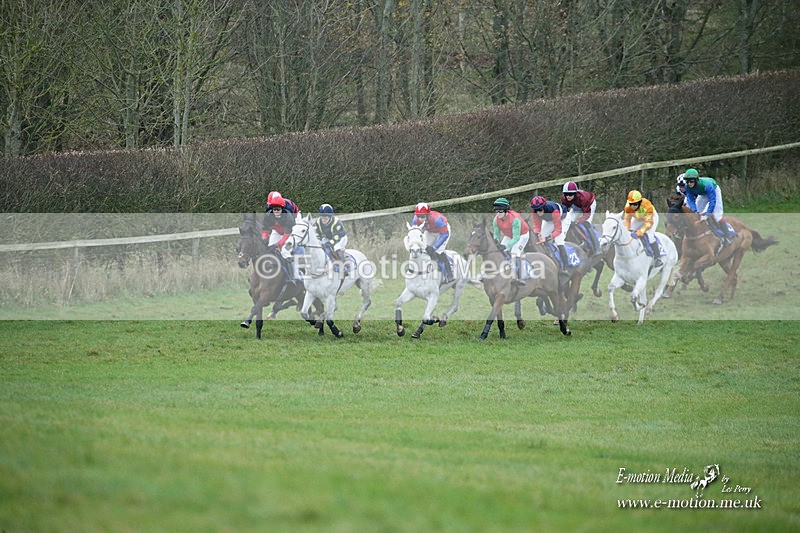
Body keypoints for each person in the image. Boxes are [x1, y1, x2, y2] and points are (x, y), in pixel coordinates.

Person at [682, 168, 736, 245]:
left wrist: (707, 215)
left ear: (696, 180)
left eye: (691, 181)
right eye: (687, 181)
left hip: (714, 192)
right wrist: (695, 210)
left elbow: (712, 202)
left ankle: (727, 237)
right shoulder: (687, 187)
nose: (689, 183)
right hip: (703, 194)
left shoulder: (707, 185)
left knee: (717, 216)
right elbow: (690, 200)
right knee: (695, 214)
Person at [262, 191, 302, 280]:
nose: (275, 209)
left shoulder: (288, 210)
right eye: (273, 207)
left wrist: (278, 244)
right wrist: (264, 237)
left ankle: (295, 275)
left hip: (293, 221)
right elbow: (265, 228)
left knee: (285, 251)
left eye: (278, 209)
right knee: (269, 248)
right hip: (280, 227)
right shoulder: (270, 210)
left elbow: (288, 232)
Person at [411, 202, 453, 283]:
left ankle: (449, 272)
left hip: (443, 232)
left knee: (438, 251)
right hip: (430, 231)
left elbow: (445, 234)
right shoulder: (415, 220)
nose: (420, 219)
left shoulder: (437, 220)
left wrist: (434, 247)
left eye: (422, 216)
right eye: (418, 216)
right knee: (423, 249)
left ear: (427, 215)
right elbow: (415, 233)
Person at [492, 197, 530, 285]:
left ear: (506, 210)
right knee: (499, 251)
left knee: (515, 252)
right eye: (496, 211)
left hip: (522, 235)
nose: (498, 213)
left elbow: (516, 238)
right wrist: (497, 242)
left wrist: (505, 246)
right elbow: (496, 234)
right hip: (509, 235)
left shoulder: (515, 219)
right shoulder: (496, 220)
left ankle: (519, 277)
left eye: (500, 211)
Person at [530, 195, 570, 274]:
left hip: (563, 218)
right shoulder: (534, 212)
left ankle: (565, 267)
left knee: (559, 240)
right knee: (541, 237)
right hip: (549, 220)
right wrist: (538, 234)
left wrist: (547, 238)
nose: (539, 212)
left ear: (544, 206)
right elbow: (537, 227)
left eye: (540, 209)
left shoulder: (554, 210)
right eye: (536, 210)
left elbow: (558, 230)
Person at [623, 190, 663, 268]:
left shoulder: (646, 206)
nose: (633, 206)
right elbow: (627, 220)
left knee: (649, 236)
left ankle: (658, 258)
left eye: (635, 204)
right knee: (628, 233)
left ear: (640, 202)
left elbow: (648, 223)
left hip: (651, 218)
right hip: (638, 218)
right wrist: (627, 229)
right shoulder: (627, 206)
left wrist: (640, 231)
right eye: (631, 204)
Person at [561, 181, 601, 257]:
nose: (568, 196)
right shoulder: (564, 199)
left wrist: (578, 221)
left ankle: (597, 247)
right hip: (576, 206)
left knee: (586, 223)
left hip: (589, 204)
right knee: (568, 222)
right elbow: (564, 211)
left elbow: (587, 214)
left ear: (575, 193)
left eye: (570, 194)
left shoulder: (583, 198)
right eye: (566, 194)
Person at [316, 203, 349, 275]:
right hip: (328, 237)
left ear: (330, 216)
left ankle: (344, 267)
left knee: (336, 247)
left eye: (326, 217)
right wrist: (318, 241)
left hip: (340, 238)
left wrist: (325, 244)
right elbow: (317, 233)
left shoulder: (337, 223)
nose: (323, 219)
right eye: (322, 216)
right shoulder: (318, 222)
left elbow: (335, 239)